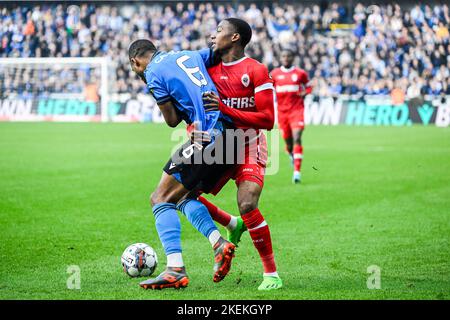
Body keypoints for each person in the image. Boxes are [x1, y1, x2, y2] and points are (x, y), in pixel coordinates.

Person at [128, 39, 236, 290]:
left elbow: (172, 120)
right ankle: (218, 243)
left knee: (160, 198)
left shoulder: (153, 72)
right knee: (182, 196)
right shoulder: (189, 54)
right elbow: (217, 55)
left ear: (136, 61)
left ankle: (175, 269)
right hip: (232, 133)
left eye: (135, 70)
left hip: (207, 136)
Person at [197, 18, 283, 291]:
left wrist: (224, 109)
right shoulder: (208, 68)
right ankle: (231, 223)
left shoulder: (256, 70)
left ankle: (271, 274)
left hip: (248, 143)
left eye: (219, 30)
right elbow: (197, 104)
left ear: (235, 38)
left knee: (247, 203)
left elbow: (267, 119)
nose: (213, 35)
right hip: (219, 145)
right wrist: (194, 129)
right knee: (181, 193)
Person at [271, 49, 312, 184]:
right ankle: (290, 154)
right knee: (288, 143)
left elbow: (309, 87)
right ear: (281, 58)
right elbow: (266, 89)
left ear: (293, 58)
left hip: (297, 111)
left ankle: (297, 172)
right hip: (282, 113)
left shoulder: (300, 73)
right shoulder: (275, 74)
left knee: (297, 137)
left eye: (288, 56)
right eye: (283, 55)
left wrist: (305, 93)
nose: (286, 58)